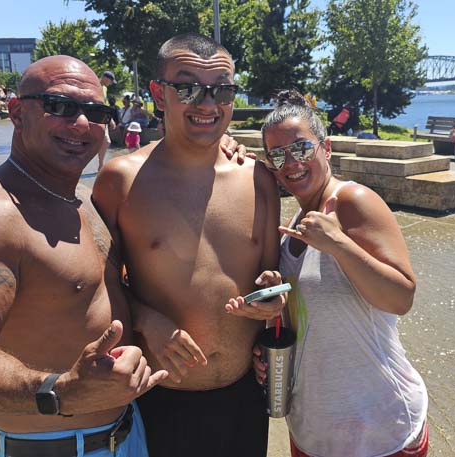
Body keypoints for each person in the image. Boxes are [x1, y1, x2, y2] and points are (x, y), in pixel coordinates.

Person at [0, 55, 167, 457]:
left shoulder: (77, 200)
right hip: (52, 446)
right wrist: (59, 391)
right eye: (59, 106)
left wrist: (147, 319)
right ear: (17, 112)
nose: (80, 124)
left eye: (95, 111)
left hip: (126, 434)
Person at [92, 33, 285, 457]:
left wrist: (272, 302)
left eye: (222, 89)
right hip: (161, 399)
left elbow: (272, 281)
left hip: (243, 400)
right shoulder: (121, 181)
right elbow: (93, 283)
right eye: (188, 87)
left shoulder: (260, 181)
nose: (207, 103)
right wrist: (148, 321)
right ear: (158, 94)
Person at [249, 90, 427, 457]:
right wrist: (271, 318)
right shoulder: (295, 225)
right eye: (277, 155)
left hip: (379, 430)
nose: (290, 163)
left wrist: (338, 244)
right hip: (313, 430)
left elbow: (401, 298)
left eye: (300, 149)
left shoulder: (352, 202)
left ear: (325, 148)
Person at [97, 70, 117, 170]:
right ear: (105, 78)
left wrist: (110, 118)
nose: (111, 84)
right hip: (94, 116)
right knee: (103, 141)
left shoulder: (104, 88)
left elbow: (105, 104)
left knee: (106, 141)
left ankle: (100, 164)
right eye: (110, 81)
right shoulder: (95, 84)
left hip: (102, 116)